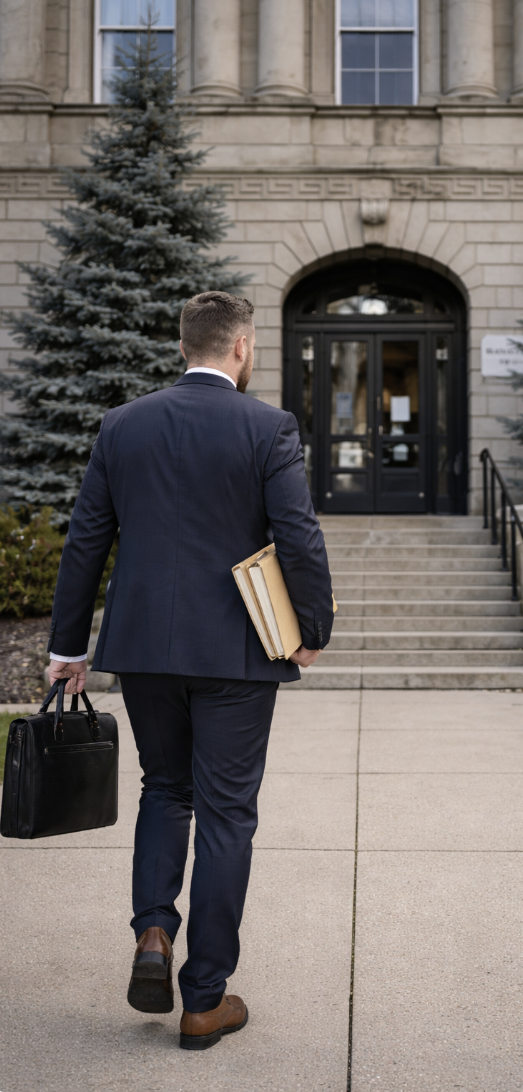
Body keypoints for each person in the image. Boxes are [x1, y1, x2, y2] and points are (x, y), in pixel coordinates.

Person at [47, 291, 334, 1051]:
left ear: (185, 346)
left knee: (165, 788)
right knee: (229, 812)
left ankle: (151, 935)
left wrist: (67, 646)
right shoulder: (267, 426)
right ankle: (204, 1000)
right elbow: (297, 536)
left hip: (142, 646)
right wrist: (313, 628)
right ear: (240, 348)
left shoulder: (122, 425)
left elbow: (86, 542)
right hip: (237, 650)